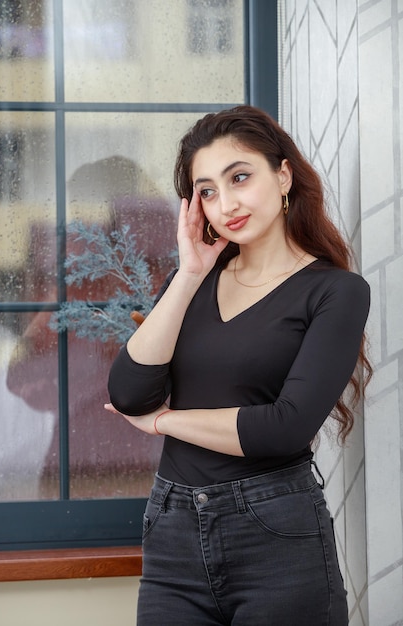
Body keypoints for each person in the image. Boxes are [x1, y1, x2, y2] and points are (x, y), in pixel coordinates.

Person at [106, 105, 371, 625]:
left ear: (283, 174)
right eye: (207, 191)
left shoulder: (335, 292)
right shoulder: (195, 279)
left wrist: (163, 423)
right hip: (173, 529)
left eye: (240, 177)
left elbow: (284, 427)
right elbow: (130, 390)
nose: (225, 203)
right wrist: (187, 275)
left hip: (277, 533)